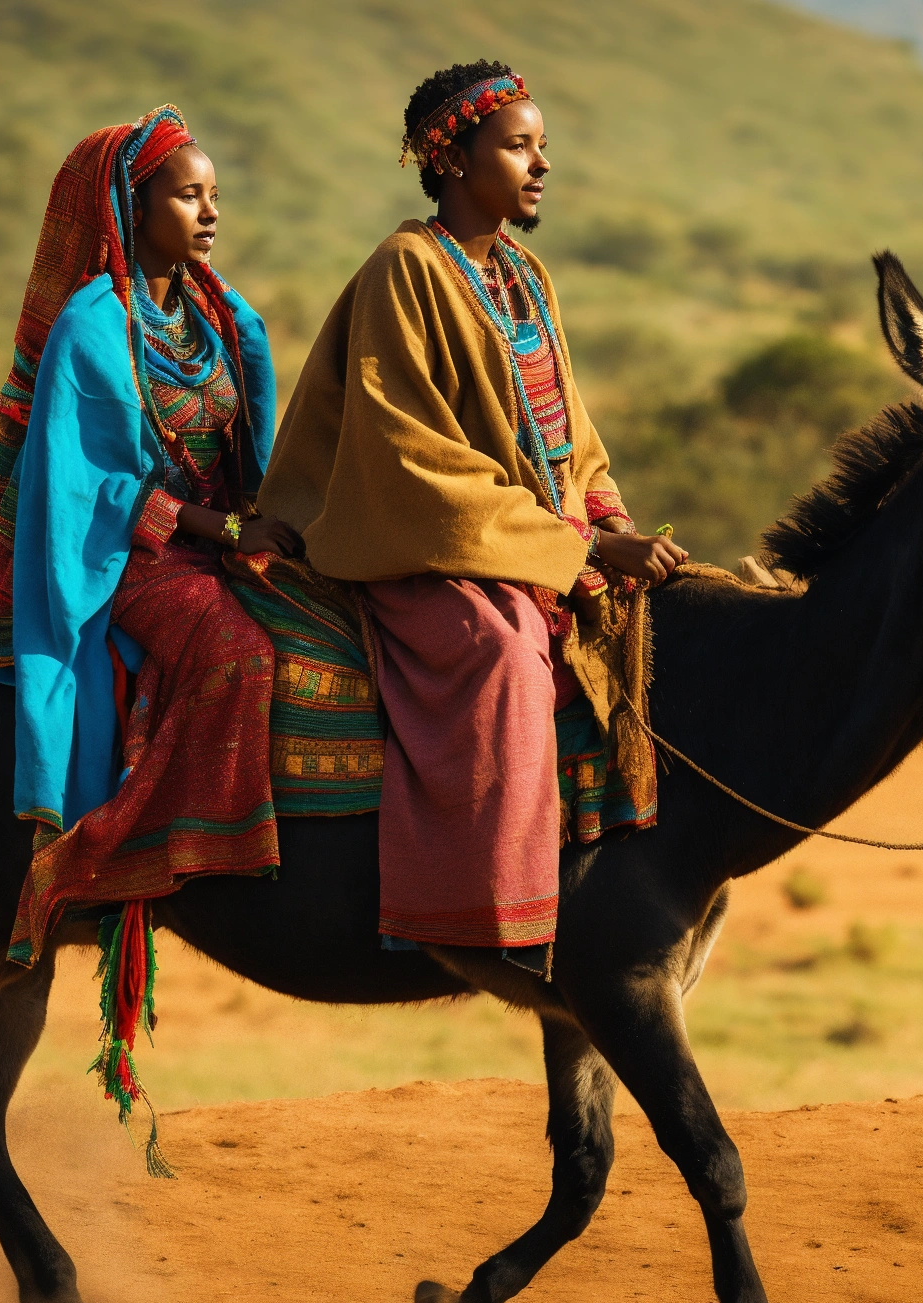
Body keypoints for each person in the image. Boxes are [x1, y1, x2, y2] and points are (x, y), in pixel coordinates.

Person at [256, 62, 685, 961]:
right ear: (452, 159)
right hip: (425, 543)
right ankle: (477, 914)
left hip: (530, 537)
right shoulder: (403, 270)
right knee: (502, 656)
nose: (542, 164)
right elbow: (408, 459)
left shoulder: (525, 274)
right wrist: (577, 548)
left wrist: (606, 522)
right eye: (520, 146)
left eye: (542, 146)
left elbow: (570, 429)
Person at [0, 107, 298, 973]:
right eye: (188, 196)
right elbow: (90, 490)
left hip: (225, 540)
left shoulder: (217, 317)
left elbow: (248, 450)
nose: (210, 212)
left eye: (214, 195)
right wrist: (220, 528)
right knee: (239, 651)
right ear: (134, 207)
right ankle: (132, 845)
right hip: (133, 557)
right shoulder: (92, 327)